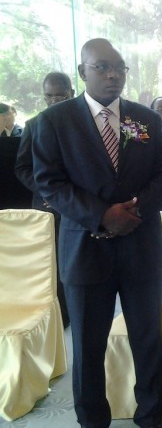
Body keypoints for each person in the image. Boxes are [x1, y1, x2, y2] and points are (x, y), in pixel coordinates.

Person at [31, 38, 162, 428]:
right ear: (83, 72)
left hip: (141, 246)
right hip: (85, 249)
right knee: (89, 346)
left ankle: (151, 417)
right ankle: (93, 421)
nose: (113, 75)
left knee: (147, 341)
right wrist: (101, 215)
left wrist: (135, 211)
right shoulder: (54, 122)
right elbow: (50, 184)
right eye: (102, 67)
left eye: (120, 67)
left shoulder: (145, 119)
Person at [15, 71, 75, 327]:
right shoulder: (33, 124)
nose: (53, 101)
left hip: (80, 207)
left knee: (75, 264)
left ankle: (76, 311)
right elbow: (23, 168)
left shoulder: (84, 123)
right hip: (47, 208)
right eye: (48, 96)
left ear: (71, 93)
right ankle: (58, 318)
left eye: (59, 95)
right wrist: (47, 192)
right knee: (50, 266)